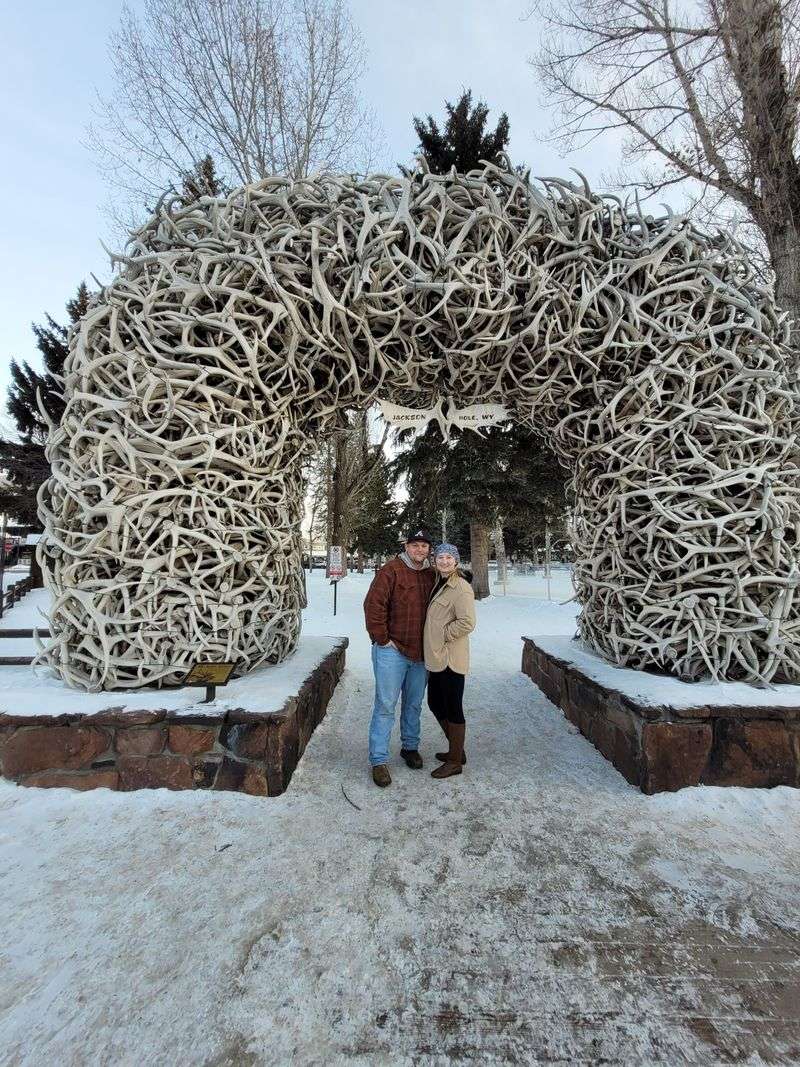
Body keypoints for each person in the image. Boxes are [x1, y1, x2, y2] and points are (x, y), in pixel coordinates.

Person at [363, 528, 436, 787]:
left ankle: (410, 747)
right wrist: (382, 639)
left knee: (414, 704)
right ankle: (379, 760)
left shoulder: (431, 573)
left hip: (420, 653)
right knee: (385, 705)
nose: (419, 550)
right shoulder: (391, 570)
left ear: (429, 549)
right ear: (407, 547)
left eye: (424, 546)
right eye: (415, 545)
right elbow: (373, 605)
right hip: (392, 652)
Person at [424, 542, 476, 779]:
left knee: (453, 706)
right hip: (437, 656)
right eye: (440, 557)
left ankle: (455, 760)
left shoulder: (461, 587)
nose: (444, 561)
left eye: (449, 557)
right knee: (435, 703)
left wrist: (442, 634)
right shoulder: (439, 582)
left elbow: (467, 622)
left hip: (451, 657)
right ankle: (457, 750)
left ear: (456, 561)